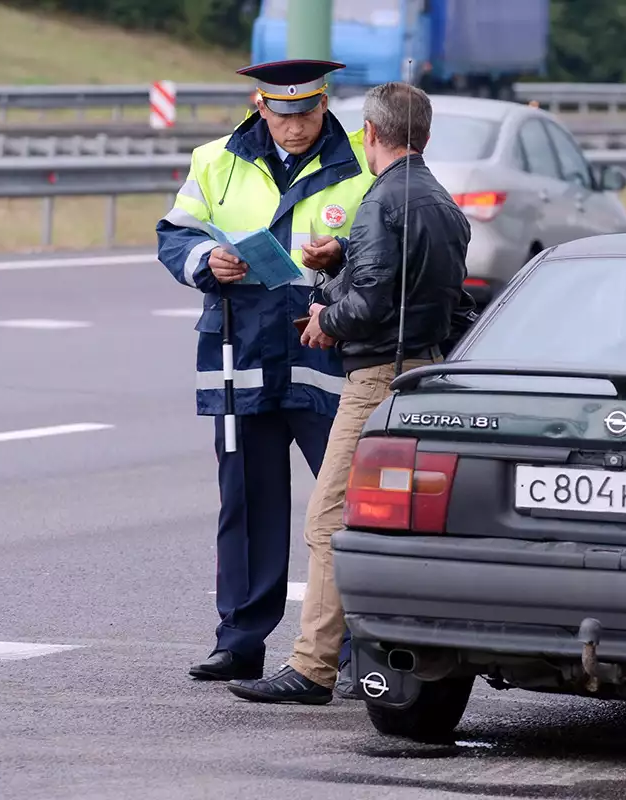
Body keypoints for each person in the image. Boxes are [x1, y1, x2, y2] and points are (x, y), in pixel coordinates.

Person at [227, 80, 477, 705]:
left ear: (370, 133)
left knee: (329, 520)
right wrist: (342, 258)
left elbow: (371, 302)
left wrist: (323, 317)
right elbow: (432, 297)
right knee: (393, 525)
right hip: (425, 372)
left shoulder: (382, 201)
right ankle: (377, 653)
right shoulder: (441, 203)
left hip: (374, 379)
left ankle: (313, 667)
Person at [155, 59, 376, 689]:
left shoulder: (360, 161)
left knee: (348, 508)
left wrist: (342, 252)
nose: (296, 127)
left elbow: (387, 242)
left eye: (307, 113)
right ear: (260, 106)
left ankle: (358, 643)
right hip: (241, 353)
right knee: (247, 504)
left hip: (324, 356)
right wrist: (207, 259)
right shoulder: (216, 159)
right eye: (283, 115)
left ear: (324, 104)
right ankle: (240, 641)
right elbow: (175, 234)